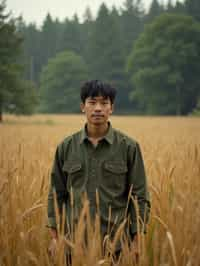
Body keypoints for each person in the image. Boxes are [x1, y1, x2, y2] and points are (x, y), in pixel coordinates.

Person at [47, 80, 150, 263]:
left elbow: (139, 197)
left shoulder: (129, 148)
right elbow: (56, 194)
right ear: (82, 107)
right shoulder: (66, 147)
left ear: (112, 108)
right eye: (92, 102)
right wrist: (55, 238)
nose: (98, 109)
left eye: (104, 103)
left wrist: (137, 241)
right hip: (73, 245)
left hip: (116, 246)